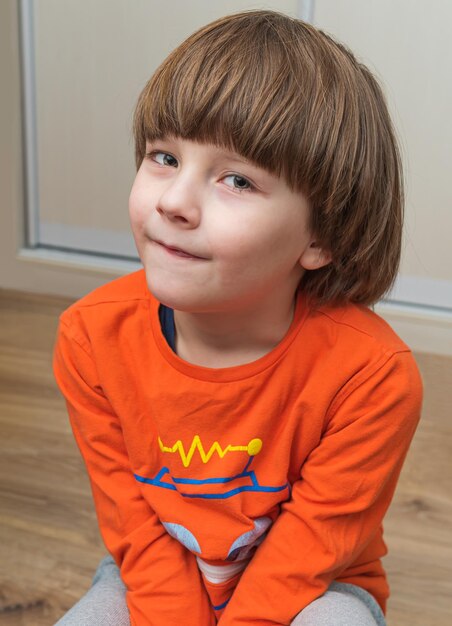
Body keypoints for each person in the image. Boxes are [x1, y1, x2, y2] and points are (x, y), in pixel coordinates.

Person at [53, 9, 423, 626]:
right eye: (163, 157)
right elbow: (132, 525)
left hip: (312, 590)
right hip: (156, 572)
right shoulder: (90, 338)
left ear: (322, 235)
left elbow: (307, 553)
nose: (173, 202)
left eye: (237, 180)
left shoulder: (373, 376)